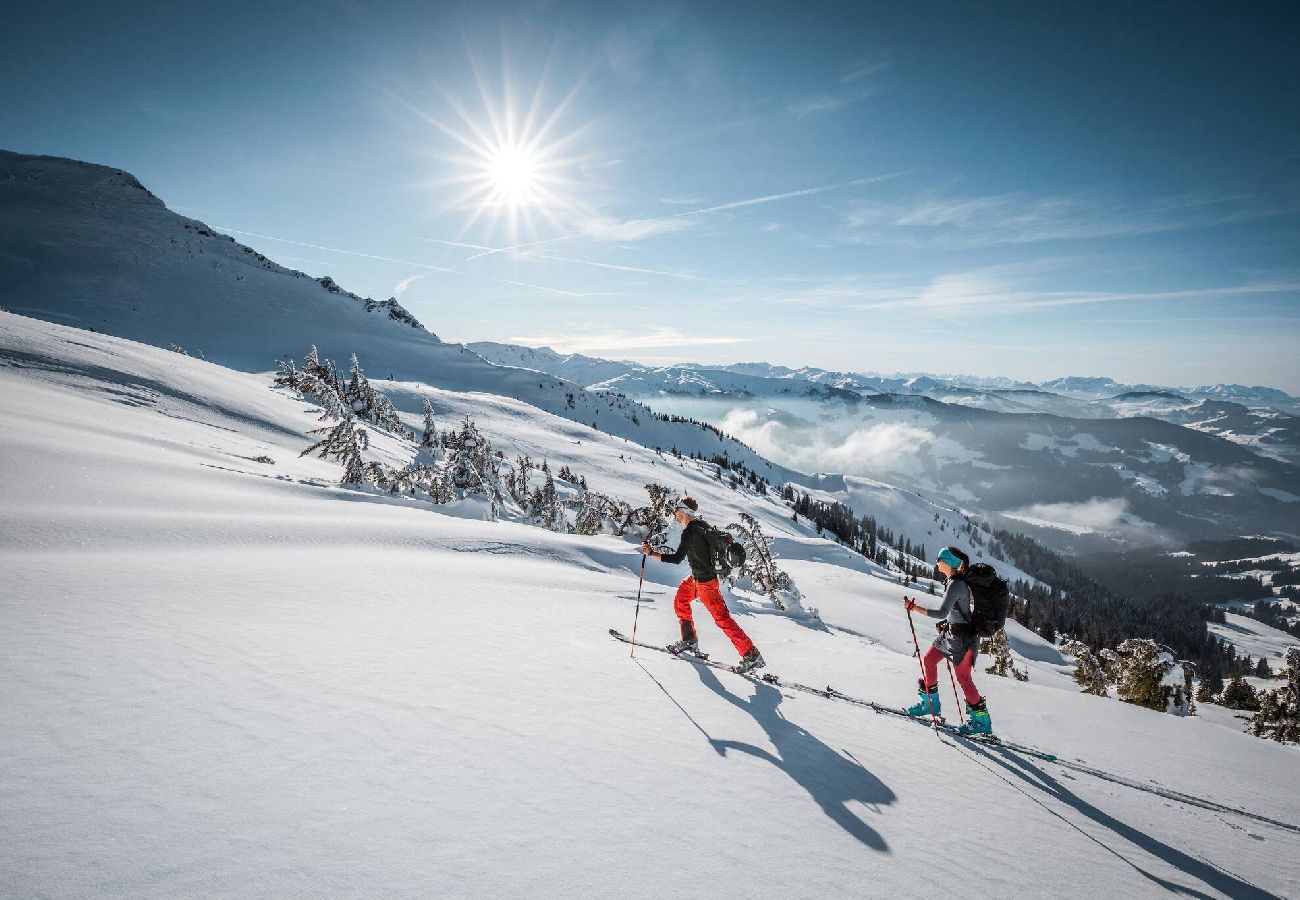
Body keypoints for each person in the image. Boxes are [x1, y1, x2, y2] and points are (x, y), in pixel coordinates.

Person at [641, 497, 765, 674]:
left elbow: (676, 559)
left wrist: (651, 553)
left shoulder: (690, 532)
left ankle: (751, 654)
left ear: (683, 511)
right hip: (696, 579)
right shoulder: (701, 525)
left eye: (677, 509)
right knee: (681, 601)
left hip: (706, 583)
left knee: (722, 619)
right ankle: (689, 640)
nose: (675, 512)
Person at [902, 546, 992, 736]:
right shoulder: (951, 581)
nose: (936, 563)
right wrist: (946, 623)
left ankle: (982, 721)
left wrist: (914, 607)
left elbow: (942, 611)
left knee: (964, 679)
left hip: (964, 639)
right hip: (951, 634)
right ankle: (930, 705)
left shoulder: (956, 584)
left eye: (939, 559)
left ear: (948, 563)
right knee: (929, 660)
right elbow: (955, 612)